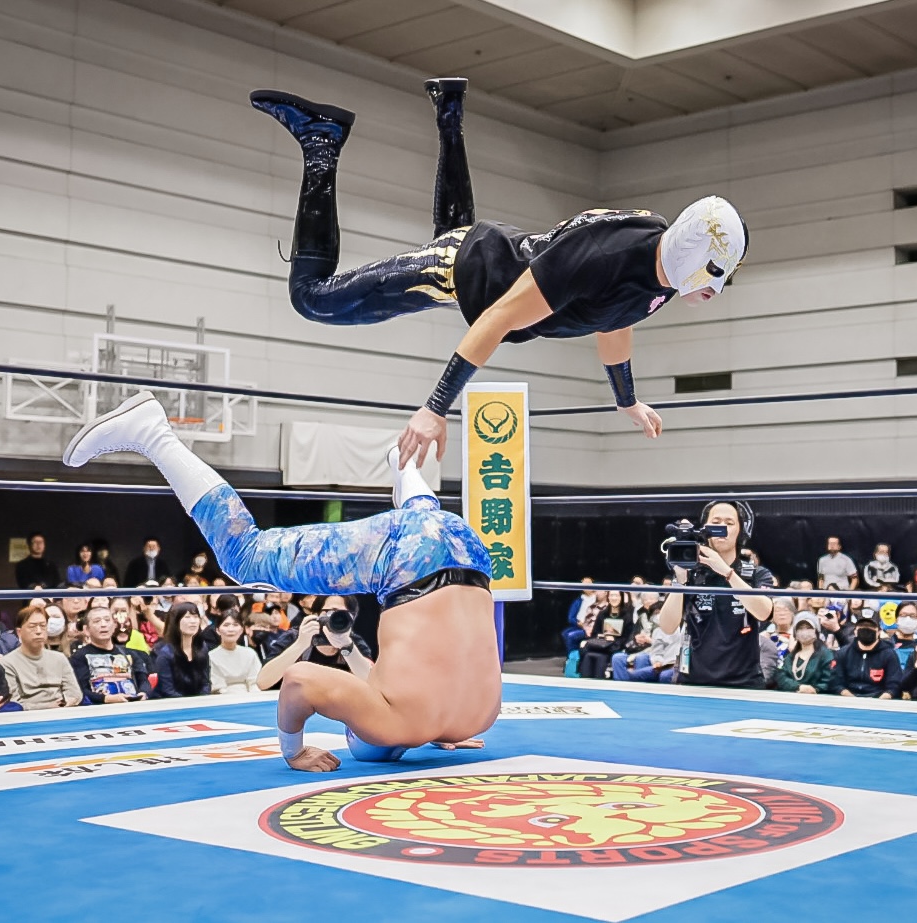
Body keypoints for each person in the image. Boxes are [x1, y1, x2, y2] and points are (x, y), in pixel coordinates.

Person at [248, 80, 748, 470]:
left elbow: (615, 317)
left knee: (453, 232)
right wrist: (434, 408)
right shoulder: (604, 257)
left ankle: (450, 108)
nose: (714, 290)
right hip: (464, 270)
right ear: (693, 253)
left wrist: (627, 400)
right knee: (313, 299)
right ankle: (321, 141)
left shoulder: (656, 267)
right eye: (714, 273)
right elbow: (499, 317)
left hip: (493, 255)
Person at [65, 391, 500, 771]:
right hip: (409, 560)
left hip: (469, 550)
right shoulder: (389, 724)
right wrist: (294, 750)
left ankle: (400, 464)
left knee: (423, 519)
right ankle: (152, 433)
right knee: (245, 555)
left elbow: (420, 687)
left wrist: (441, 732)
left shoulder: (473, 720)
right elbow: (299, 679)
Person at [657, 501, 775, 689]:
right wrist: (680, 580)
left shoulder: (756, 573)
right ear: (705, 529)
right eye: (716, 522)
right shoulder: (692, 574)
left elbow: (765, 613)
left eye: (729, 523)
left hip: (744, 683)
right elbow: (667, 627)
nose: (722, 528)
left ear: (741, 530)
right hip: (694, 682)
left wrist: (727, 572)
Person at [257, 597, 375, 691]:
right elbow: (263, 682)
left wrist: (346, 646)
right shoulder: (294, 637)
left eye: (342, 614)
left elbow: (372, 683)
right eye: (330, 612)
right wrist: (300, 644)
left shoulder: (353, 642)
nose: (335, 618)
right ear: (315, 615)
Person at [0, 606, 83, 709]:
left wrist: (66, 703)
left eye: (43, 626)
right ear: (19, 632)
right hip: (28, 715)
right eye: (32, 626)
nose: (39, 631)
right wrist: (47, 707)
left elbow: (75, 694)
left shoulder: (60, 658)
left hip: (62, 711)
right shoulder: (7, 663)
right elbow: (14, 703)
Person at [70, 607, 152, 704]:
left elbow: (143, 679)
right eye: (97, 621)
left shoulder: (129, 654)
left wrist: (143, 693)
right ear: (86, 629)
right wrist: (106, 699)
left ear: (114, 626)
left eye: (107, 620)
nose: (103, 624)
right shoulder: (79, 657)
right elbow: (80, 690)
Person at [832, 610, 902, 698]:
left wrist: (880, 700)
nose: (866, 629)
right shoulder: (843, 653)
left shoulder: (889, 654)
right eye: (862, 626)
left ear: (879, 631)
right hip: (848, 699)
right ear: (855, 631)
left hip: (879, 699)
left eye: (871, 627)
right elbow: (836, 682)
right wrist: (850, 698)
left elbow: (894, 685)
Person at [153, 602, 211, 697]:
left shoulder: (202, 647)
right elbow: (167, 690)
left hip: (197, 701)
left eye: (195, 617)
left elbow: (205, 682)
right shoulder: (165, 653)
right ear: (176, 622)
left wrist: (201, 699)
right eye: (187, 617)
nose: (193, 621)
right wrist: (189, 703)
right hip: (170, 702)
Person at [774, 613, 836, 695]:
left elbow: (830, 679)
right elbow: (781, 677)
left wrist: (815, 689)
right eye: (800, 628)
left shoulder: (826, 655)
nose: (804, 631)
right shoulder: (790, 656)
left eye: (808, 628)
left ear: (816, 631)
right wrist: (798, 687)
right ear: (795, 633)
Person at [578, 590, 633, 680]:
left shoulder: (627, 615)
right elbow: (595, 634)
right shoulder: (602, 614)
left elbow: (627, 637)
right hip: (601, 643)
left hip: (616, 644)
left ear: (621, 598)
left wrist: (613, 639)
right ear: (608, 597)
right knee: (585, 648)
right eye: (612, 595)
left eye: (616, 596)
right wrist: (601, 637)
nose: (614, 598)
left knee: (603, 654)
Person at [609, 616, 682, 683]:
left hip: (661, 658)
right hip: (636, 650)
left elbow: (663, 647)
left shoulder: (677, 629)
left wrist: (650, 641)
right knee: (617, 658)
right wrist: (635, 639)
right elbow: (628, 639)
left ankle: (635, 685)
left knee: (641, 658)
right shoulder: (640, 617)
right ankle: (624, 687)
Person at [210, 610, 262, 694]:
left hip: (250, 697)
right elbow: (218, 688)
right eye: (226, 625)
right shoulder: (211, 657)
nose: (231, 629)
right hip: (223, 699)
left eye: (235, 625)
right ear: (217, 630)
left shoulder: (250, 653)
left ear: (241, 630)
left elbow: (254, 683)